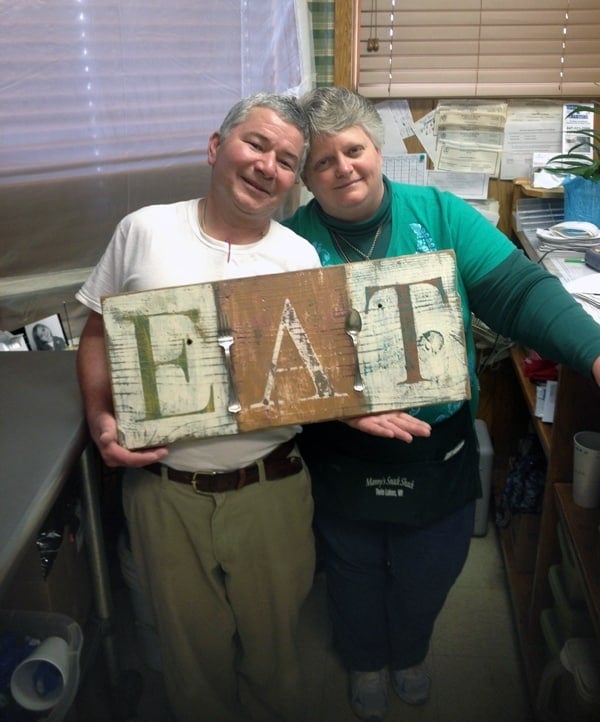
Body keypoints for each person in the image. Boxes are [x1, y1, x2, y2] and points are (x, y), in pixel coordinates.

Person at [283, 86, 600, 722]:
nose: (343, 167)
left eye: (354, 150)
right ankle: (365, 659)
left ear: (376, 151)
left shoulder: (440, 213)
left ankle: (412, 651)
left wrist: (592, 349)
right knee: (351, 569)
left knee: (429, 569)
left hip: (439, 442)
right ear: (306, 177)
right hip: (339, 446)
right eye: (323, 161)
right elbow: (282, 364)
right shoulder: (289, 244)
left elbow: (515, 291)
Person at [75, 93, 322, 722]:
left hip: (273, 487)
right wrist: (102, 418)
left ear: (294, 183)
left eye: (288, 161)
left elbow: (317, 377)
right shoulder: (144, 230)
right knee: (189, 666)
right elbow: (99, 331)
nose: (269, 166)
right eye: (257, 145)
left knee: (276, 659)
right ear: (216, 148)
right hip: (163, 491)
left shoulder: (299, 258)